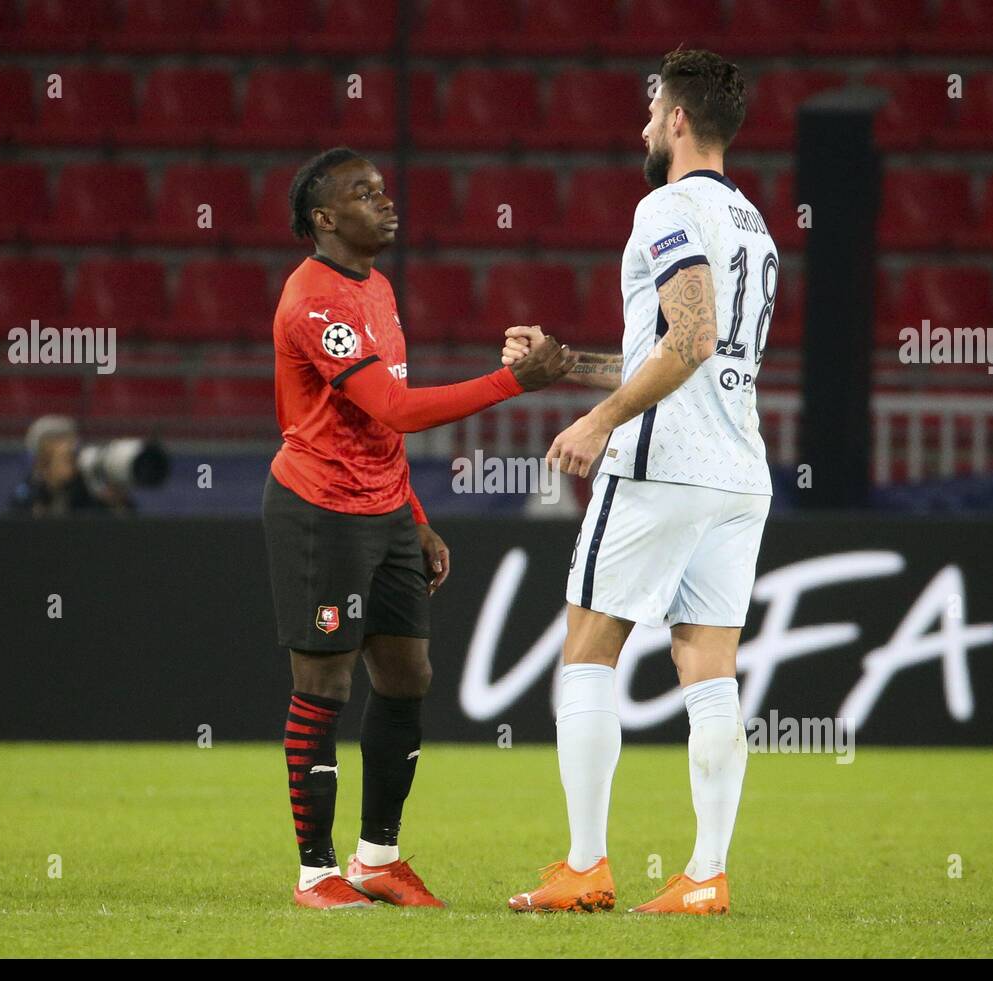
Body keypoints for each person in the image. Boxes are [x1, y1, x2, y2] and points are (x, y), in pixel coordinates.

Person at [504, 49, 777, 915]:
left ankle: (586, 865)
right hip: (737, 472)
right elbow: (689, 354)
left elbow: (688, 340)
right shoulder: (756, 227)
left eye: (652, 110)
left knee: (587, 652)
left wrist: (600, 419)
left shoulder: (666, 206)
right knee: (711, 671)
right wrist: (570, 368)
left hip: (662, 465)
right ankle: (705, 876)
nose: (643, 125)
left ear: (679, 122)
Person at [265, 147, 573, 909]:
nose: (386, 201)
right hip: (321, 513)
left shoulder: (378, 287)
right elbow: (397, 410)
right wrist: (512, 384)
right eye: (364, 194)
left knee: (408, 677)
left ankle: (377, 859)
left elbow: (382, 431)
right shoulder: (315, 300)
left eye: (383, 188)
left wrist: (418, 517)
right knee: (324, 683)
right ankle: (316, 872)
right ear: (324, 219)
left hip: (385, 508)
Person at [9, 415, 133, 517]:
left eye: (71, 441)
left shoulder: (89, 488)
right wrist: (53, 487)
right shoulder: (29, 490)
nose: (69, 446)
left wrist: (116, 503)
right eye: (59, 441)